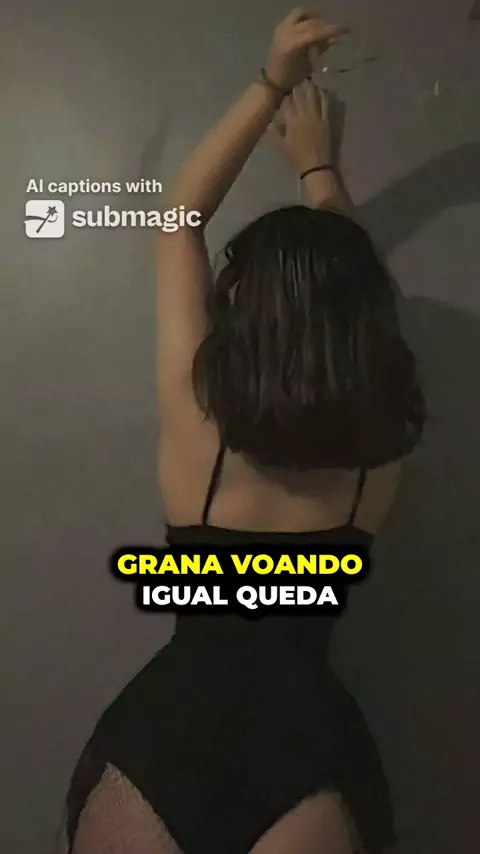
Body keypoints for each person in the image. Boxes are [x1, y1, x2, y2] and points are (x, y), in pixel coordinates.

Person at [55, 9, 425, 854]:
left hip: (168, 738)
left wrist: (272, 82)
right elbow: (360, 295)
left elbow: (178, 216)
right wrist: (320, 170)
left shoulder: (201, 425)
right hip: (310, 750)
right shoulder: (379, 457)